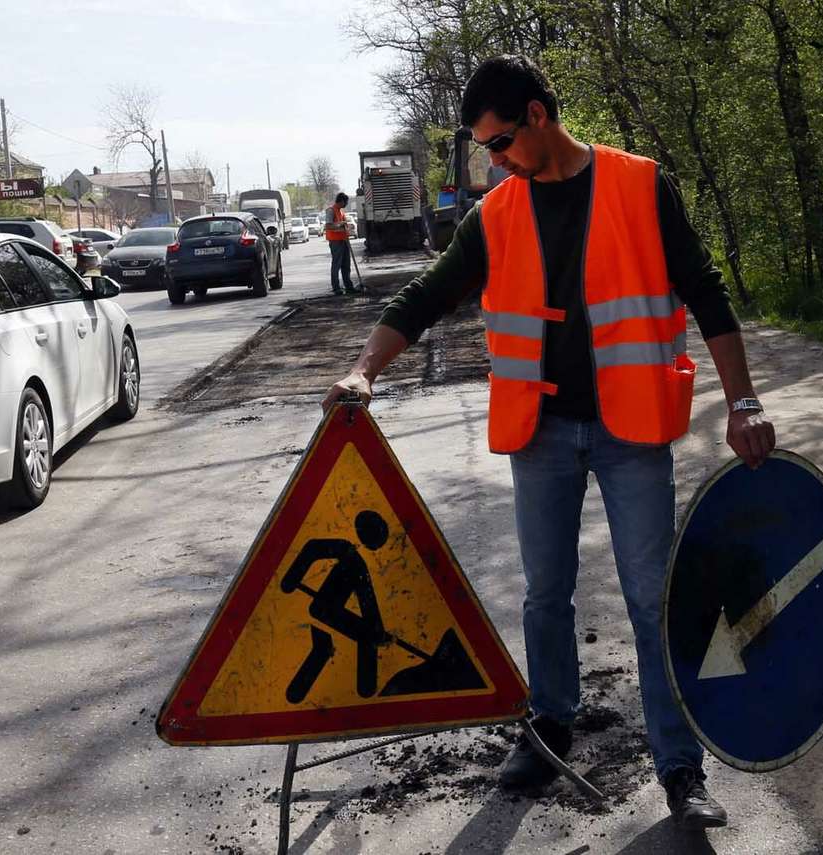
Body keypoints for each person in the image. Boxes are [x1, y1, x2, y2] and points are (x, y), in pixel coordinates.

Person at [322, 55, 776, 830]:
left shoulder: (641, 185)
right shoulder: (496, 214)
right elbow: (427, 294)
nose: (494, 163)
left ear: (537, 116)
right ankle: (549, 726)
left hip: (632, 430)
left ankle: (680, 766)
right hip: (541, 432)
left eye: (500, 143)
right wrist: (364, 369)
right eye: (485, 150)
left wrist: (744, 401)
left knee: (652, 597)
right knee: (544, 594)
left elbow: (707, 291)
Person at [324, 191, 355, 294]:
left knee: (346, 265)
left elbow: (343, 225)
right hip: (335, 242)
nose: (346, 204)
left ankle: (349, 286)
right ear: (341, 201)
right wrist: (339, 225)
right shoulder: (331, 211)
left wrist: (347, 227)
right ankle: (336, 288)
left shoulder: (341, 211)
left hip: (343, 240)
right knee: (336, 264)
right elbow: (328, 226)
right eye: (345, 202)